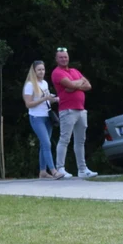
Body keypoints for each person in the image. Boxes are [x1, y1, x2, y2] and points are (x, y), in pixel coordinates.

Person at [50, 47, 96, 178]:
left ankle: (82, 169)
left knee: (80, 141)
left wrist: (74, 85)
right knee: (65, 139)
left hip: (81, 110)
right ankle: (60, 169)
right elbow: (69, 85)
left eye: (65, 57)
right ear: (56, 59)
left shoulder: (74, 71)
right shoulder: (57, 73)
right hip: (67, 110)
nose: (64, 59)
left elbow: (88, 86)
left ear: (68, 57)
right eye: (61, 57)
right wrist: (76, 84)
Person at [22, 60, 64, 180]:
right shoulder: (30, 85)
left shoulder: (44, 83)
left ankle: (42, 171)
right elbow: (28, 104)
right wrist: (44, 98)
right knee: (47, 143)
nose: (41, 72)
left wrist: (54, 99)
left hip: (47, 116)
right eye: (39, 70)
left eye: (43, 69)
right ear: (34, 71)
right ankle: (54, 171)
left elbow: (46, 100)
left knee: (43, 144)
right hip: (36, 117)